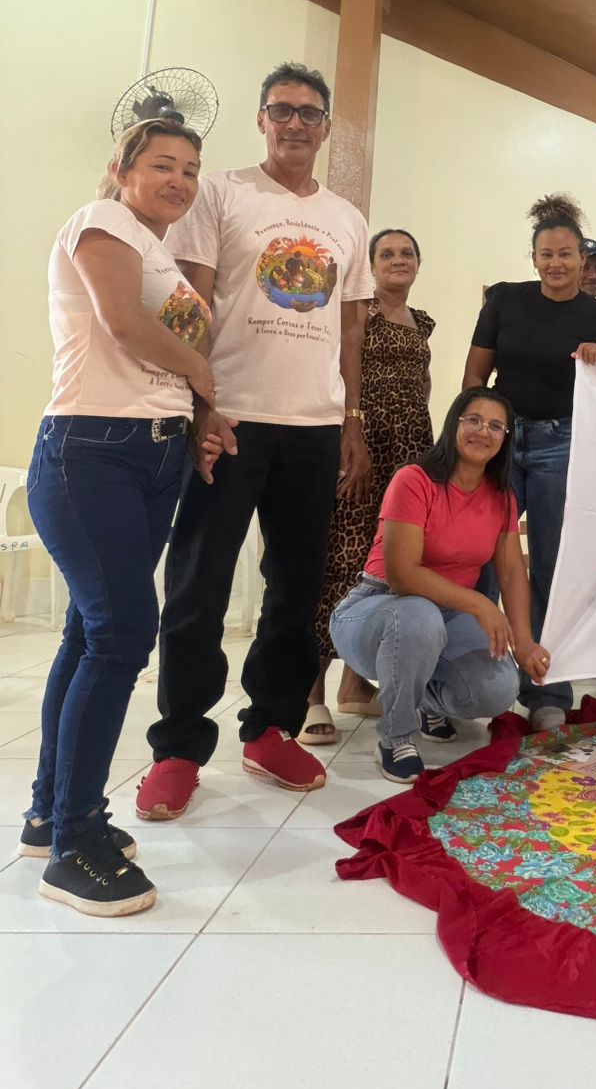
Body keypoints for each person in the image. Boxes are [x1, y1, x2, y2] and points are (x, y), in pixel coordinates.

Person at [136, 62, 373, 821]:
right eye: (282, 110)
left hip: (314, 426)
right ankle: (178, 746)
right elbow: (193, 302)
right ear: (262, 119)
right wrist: (201, 403)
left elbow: (350, 326)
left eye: (310, 113)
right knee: (199, 586)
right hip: (231, 416)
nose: (296, 124)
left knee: (295, 586)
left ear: (327, 127)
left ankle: (269, 727)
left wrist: (352, 419)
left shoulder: (346, 217)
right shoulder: (221, 192)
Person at [21, 120, 216, 915]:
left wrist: (202, 415)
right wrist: (206, 372)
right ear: (121, 169)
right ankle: (76, 843)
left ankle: (48, 812)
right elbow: (122, 325)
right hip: (91, 447)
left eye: (191, 168)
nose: (179, 179)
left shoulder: (156, 249)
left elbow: (157, 362)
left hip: (153, 449)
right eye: (163, 164)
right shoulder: (101, 221)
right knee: (122, 632)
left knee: (90, 633)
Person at [463, 194, 596, 730]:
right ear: (533, 258)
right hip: (502, 444)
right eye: (546, 254)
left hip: (565, 444)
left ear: (584, 260)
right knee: (481, 557)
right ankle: (466, 685)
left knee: (552, 567)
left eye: (567, 254)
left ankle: (547, 691)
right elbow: (474, 379)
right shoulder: (505, 301)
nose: (556, 263)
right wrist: (476, 436)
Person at [329, 388, 548, 782]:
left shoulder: (502, 495)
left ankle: (431, 702)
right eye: (474, 420)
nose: (484, 431)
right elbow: (403, 575)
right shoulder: (414, 479)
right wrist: (481, 605)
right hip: (379, 606)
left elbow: (513, 572)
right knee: (419, 615)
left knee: (499, 689)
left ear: (505, 440)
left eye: (496, 426)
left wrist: (525, 641)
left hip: (444, 616)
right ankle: (396, 737)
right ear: (454, 425)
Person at [300, 227, 435, 746]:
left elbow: (421, 389)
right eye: (387, 254)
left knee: (383, 569)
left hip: (409, 457)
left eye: (407, 252)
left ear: (418, 265)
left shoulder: (421, 323)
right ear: (372, 267)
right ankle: (311, 696)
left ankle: (356, 684)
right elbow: (336, 377)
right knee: (339, 562)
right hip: (359, 449)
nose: (398, 260)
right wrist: (345, 439)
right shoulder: (356, 313)